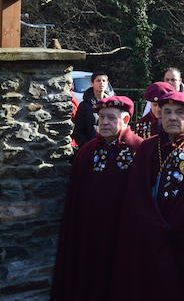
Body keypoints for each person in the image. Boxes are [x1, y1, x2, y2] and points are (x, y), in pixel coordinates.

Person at [118, 90, 184, 301]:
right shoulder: (148, 147)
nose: (172, 117)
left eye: (180, 112)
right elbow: (136, 192)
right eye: (167, 112)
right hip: (149, 237)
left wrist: (172, 225)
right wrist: (151, 223)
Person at [52, 96, 143, 301]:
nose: (104, 122)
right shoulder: (87, 151)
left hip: (125, 232)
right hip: (90, 232)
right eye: (101, 117)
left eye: (111, 118)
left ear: (126, 120)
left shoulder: (140, 150)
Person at [72, 72, 111, 147]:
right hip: (90, 146)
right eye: (98, 80)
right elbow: (78, 131)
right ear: (92, 83)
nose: (101, 83)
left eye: (104, 81)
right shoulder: (84, 106)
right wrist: (87, 147)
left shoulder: (111, 104)